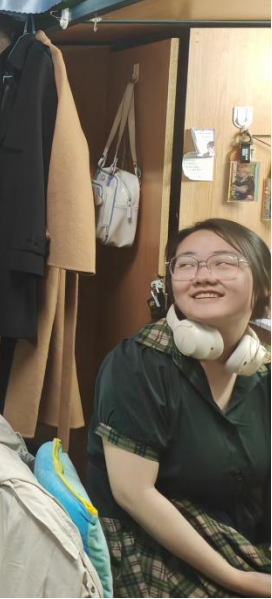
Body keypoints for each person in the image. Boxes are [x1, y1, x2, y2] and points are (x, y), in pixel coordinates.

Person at [87, 218, 271, 598]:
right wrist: (239, 580)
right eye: (186, 264)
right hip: (149, 546)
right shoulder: (139, 364)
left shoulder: (261, 371)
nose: (203, 276)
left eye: (223, 262)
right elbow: (134, 494)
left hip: (234, 537)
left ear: (262, 285)